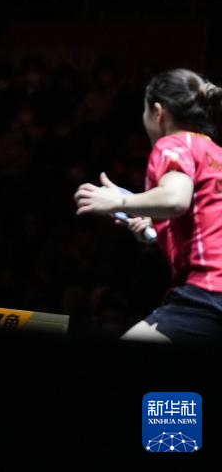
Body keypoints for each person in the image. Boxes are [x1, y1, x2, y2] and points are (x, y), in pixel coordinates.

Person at [74, 68, 222, 345]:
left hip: (207, 291)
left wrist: (118, 201)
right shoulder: (216, 153)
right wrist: (156, 228)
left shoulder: (174, 143)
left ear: (158, 112)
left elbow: (175, 199)